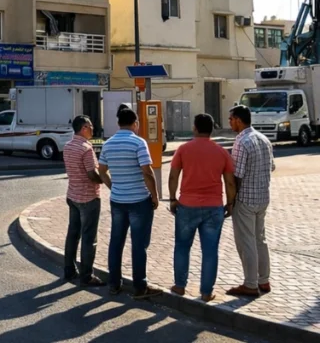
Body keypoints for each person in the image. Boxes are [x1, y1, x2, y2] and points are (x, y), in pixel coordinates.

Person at [168, 114, 236, 301]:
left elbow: (173, 176)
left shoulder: (183, 149)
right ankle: (206, 292)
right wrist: (230, 203)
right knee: (210, 250)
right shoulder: (221, 152)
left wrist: (173, 199)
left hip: (187, 205)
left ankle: (180, 286)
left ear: (195, 128)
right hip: (214, 207)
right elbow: (230, 182)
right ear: (211, 130)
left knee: (182, 247)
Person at [98, 106, 162, 298]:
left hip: (117, 200)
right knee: (139, 244)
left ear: (118, 124)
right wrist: (155, 195)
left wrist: (113, 186)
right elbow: (148, 173)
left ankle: (114, 284)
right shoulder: (138, 142)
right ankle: (140, 287)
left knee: (116, 242)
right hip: (138, 201)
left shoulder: (108, 144)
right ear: (135, 124)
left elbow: (102, 171)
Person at [226, 104, 276, 297]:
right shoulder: (264, 139)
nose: (229, 123)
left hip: (245, 199)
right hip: (263, 197)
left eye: (231, 119)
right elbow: (271, 166)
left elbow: (236, 175)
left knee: (246, 241)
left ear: (238, 120)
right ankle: (264, 280)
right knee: (260, 240)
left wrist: (231, 200)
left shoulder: (241, 142)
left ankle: (250, 283)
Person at [63, 115, 109, 286]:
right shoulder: (86, 149)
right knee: (89, 238)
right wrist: (104, 178)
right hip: (88, 198)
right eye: (90, 126)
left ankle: (69, 270)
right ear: (83, 128)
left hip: (72, 195)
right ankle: (87, 275)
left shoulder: (68, 146)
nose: (92, 129)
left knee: (72, 234)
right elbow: (92, 174)